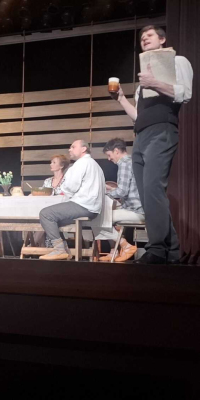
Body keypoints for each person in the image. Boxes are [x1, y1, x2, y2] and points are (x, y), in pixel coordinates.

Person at [112, 25, 193, 264]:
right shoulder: (142, 84)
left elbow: (185, 94)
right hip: (141, 137)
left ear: (162, 39)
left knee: (153, 189)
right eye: (142, 38)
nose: (144, 39)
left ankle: (157, 249)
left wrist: (154, 82)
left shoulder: (178, 61)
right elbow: (138, 116)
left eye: (149, 35)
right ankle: (173, 251)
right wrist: (121, 99)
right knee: (147, 195)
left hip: (162, 131)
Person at [38, 140, 105, 260]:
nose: (70, 149)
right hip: (92, 206)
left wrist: (64, 187)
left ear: (83, 149)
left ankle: (59, 250)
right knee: (54, 221)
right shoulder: (95, 164)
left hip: (83, 205)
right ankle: (64, 251)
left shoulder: (82, 163)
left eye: (73, 147)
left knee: (45, 214)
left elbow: (70, 187)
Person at [98, 139, 145, 262]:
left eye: (109, 155)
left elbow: (122, 192)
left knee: (100, 217)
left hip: (136, 210)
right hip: (137, 207)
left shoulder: (124, 163)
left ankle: (126, 246)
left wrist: (104, 193)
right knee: (106, 213)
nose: (109, 159)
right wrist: (111, 189)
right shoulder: (132, 161)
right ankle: (114, 251)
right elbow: (129, 189)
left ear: (116, 151)